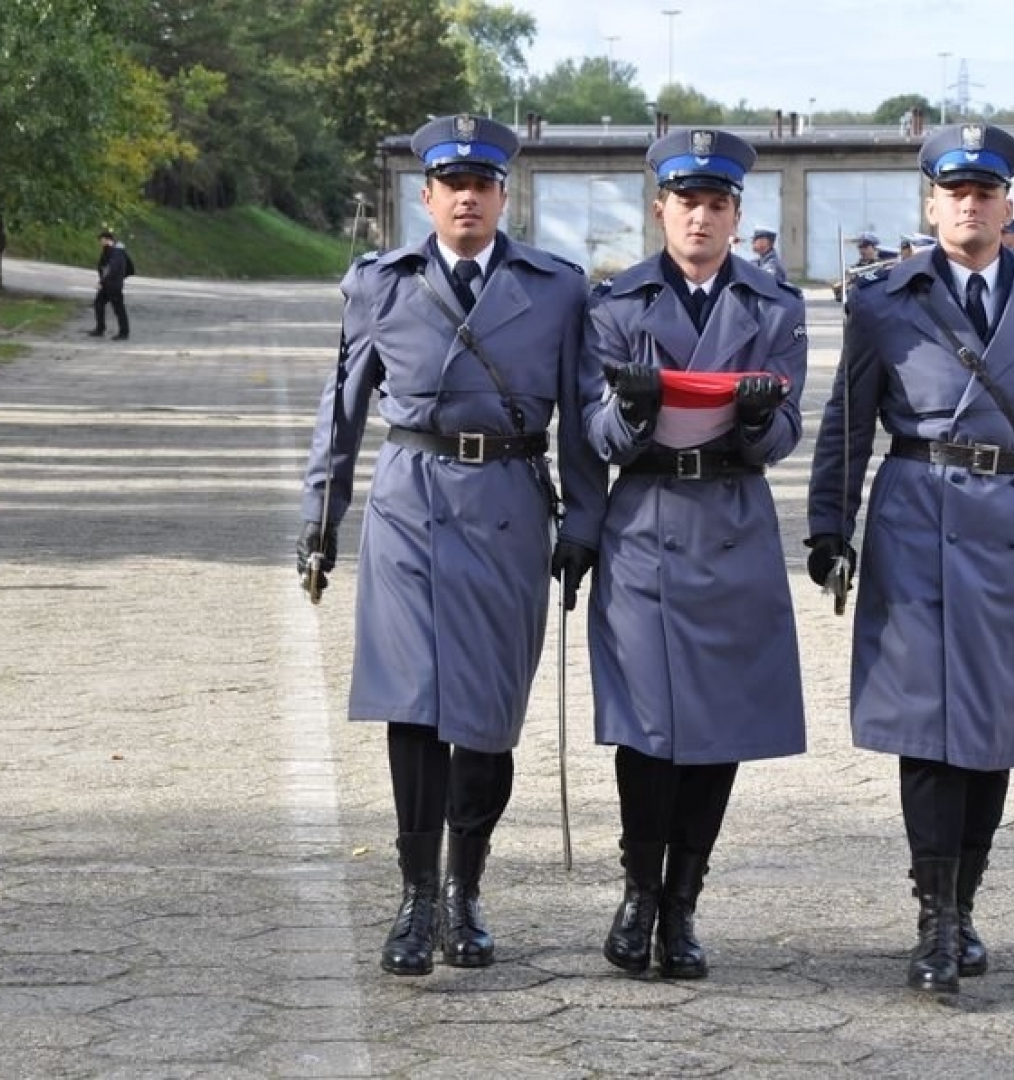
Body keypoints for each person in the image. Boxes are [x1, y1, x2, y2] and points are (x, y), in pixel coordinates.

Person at [294, 114, 606, 977]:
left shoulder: (556, 290)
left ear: (505, 195)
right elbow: (343, 409)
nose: (467, 197)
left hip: (508, 506)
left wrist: (584, 522)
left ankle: (468, 889)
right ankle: (416, 898)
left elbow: (581, 419)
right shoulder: (378, 286)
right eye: (451, 184)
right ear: (425, 196)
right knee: (415, 704)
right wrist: (321, 518)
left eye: (483, 184)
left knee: (487, 716)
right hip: (408, 509)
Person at [804, 123, 1014, 997]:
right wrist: (831, 528)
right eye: (954, 191)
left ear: (1010, 204)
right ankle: (934, 915)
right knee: (929, 730)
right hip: (916, 520)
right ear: (931, 202)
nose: (970, 205)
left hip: (1012, 525)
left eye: (986, 191)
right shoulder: (885, 301)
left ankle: (965, 903)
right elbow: (846, 428)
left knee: (993, 731)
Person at [581, 127, 807, 980]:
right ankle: (639, 890)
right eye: (687, 203)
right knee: (648, 726)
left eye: (717, 204)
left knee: (718, 728)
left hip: (733, 522)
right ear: (661, 210)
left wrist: (756, 421)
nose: (701, 218)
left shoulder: (774, 309)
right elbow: (596, 432)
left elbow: (784, 435)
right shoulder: (615, 305)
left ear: (735, 213)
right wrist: (633, 413)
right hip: (643, 524)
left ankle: (683, 906)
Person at [89, 230, 134, 340]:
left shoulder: (117, 252)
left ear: (107, 239)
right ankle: (100, 328)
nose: (100, 243)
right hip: (108, 284)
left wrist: (103, 281)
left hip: (113, 285)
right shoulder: (109, 250)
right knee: (98, 304)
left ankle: (124, 333)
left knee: (118, 309)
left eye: (102, 240)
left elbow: (112, 269)